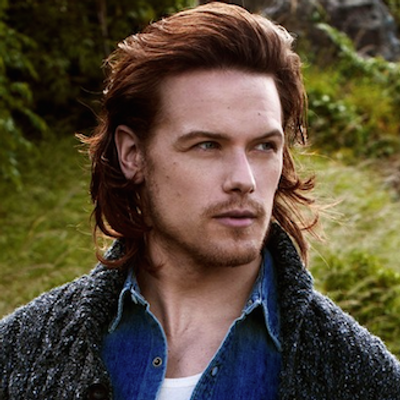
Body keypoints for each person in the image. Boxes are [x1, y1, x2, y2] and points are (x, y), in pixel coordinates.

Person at [1, 2, 399, 399]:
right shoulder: (19, 353)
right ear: (132, 154)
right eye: (207, 145)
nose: (244, 180)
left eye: (264, 146)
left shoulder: (364, 377)